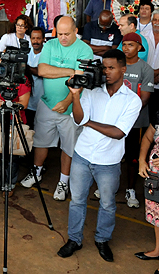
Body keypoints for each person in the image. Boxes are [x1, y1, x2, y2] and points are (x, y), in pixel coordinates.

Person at [57, 49, 141, 263]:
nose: (107, 72)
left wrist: (88, 122)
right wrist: (75, 96)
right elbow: (78, 119)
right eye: (104, 67)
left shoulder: (133, 100)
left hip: (109, 161)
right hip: (83, 155)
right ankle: (74, 239)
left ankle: (102, 240)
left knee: (107, 204)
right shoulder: (92, 91)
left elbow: (118, 132)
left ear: (124, 69)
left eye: (112, 68)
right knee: (76, 200)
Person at [20, 16, 93, 201]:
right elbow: (43, 70)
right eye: (59, 34)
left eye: (67, 34)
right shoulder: (50, 45)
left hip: (71, 108)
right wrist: (71, 70)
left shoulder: (85, 50)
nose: (63, 38)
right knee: (41, 141)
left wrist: (68, 101)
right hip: (47, 102)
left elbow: (81, 81)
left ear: (76, 31)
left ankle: (63, 181)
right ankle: (36, 171)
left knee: (68, 146)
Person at [0, 57, 32, 196]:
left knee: (10, 154)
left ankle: (9, 183)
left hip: (12, 120)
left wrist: (4, 104)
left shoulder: (22, 79)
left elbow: (24, 104)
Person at [119, 32, 154, 208]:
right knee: (115, 154)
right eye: (124, 45)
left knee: (133, 156)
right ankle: (109, 186)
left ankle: (130, 189)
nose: (127, 48)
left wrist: (127, 115)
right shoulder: (117, 65)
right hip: (114, 120)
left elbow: (145, 98)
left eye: (131, 45)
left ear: (140, 48)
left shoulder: (145, 69)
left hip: (136, 122)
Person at [136, 121, 159, 261]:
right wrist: (142, 160)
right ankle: (158, 250)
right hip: (155, 177)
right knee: (157, 214)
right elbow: (147, 138)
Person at [26, 27, 45, 129]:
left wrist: (26, 67)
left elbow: (41, 72)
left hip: (42, 101)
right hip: (27, 102)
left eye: (38, 38)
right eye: (33, 38)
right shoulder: (27, 53)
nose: (36, 41)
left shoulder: (47, 54)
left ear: (43, 39)